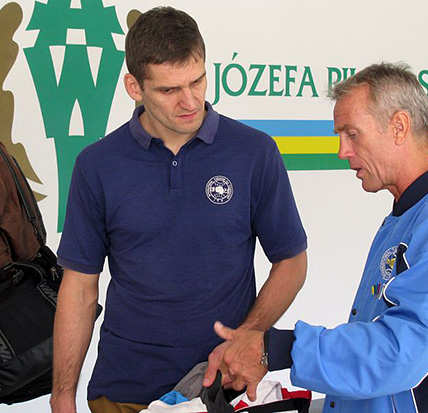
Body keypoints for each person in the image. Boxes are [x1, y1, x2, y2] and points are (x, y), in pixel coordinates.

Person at [50, 7, 307, 413]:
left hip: (223, 390)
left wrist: (249, 334)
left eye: (197, 81)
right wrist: (63, 395)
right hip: (123, 392)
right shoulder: (96, 165)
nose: (190, 101)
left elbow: (291, 261)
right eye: (169, 90)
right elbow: (80, 288)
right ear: (134, 87)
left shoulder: (254, 152)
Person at [212, 62, 428, 412]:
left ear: (399, 127)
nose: (342, 151)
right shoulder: (412, 215)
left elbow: (401, 352)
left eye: (352, 134)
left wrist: (277, 348)